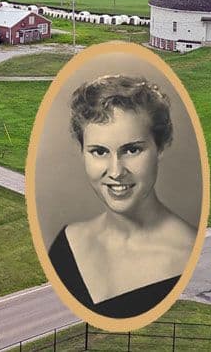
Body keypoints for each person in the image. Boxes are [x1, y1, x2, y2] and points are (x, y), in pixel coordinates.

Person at [47, 75, 197, 318]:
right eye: (99, 151)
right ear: (82, 152)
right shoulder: (66, 244)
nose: (116, 172)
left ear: (161, 146)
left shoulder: (189, 254)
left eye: (131, 149)